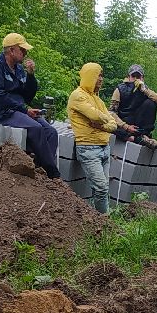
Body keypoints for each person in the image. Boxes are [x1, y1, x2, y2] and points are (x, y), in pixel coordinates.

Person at [0, 32, 59, 178]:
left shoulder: (19, 69)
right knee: (36, 128)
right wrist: (24, 110)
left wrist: (31, 75)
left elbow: (27, 96)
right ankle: (52, 174)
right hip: (2, 113)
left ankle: (40, 171)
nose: (25, 53)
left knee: (51, 132)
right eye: (22, 49)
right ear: (11, 50)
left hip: (19, 111)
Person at [66, 62, 137, 214]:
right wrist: (104, 119)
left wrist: (101, 125)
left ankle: (95, 219)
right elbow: (94, 115)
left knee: (102, 188)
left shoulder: (97, 100)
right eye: (98, 75)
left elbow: (113, 125)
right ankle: (105, 220)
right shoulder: (78, 95)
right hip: (88, 148)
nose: (101, 79)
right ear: (90, 76)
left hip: (104, 148)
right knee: (101, 188)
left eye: (102, 76)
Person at [110, 64, 157, 149]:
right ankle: (135, 138)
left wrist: (145, 90)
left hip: (138, 124)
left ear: (142, 78)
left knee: (151, 102)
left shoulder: (145, 90)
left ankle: (144, 135)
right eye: (133, 76)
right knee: (111, 126)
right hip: (124, 124)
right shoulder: (119, 89)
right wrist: (126, 126)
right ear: (128, 77)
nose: (135, 79)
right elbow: (112, 112)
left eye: (138, 76)